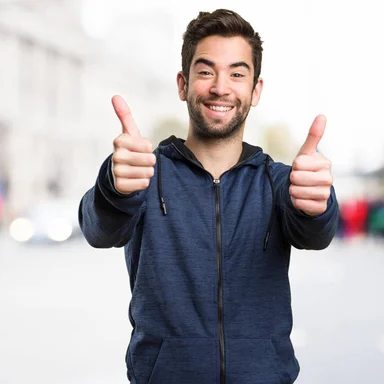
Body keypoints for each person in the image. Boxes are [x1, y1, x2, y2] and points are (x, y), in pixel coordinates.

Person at [79, 9, 339, 384]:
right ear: (183, 84)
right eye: (205, 71)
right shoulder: (142, 174)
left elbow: (316, 233)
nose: (221, 87)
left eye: (237, 73)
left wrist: (317, 205)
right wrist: (113, 186)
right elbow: (98, 229)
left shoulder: (278, 182)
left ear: (255, 90)